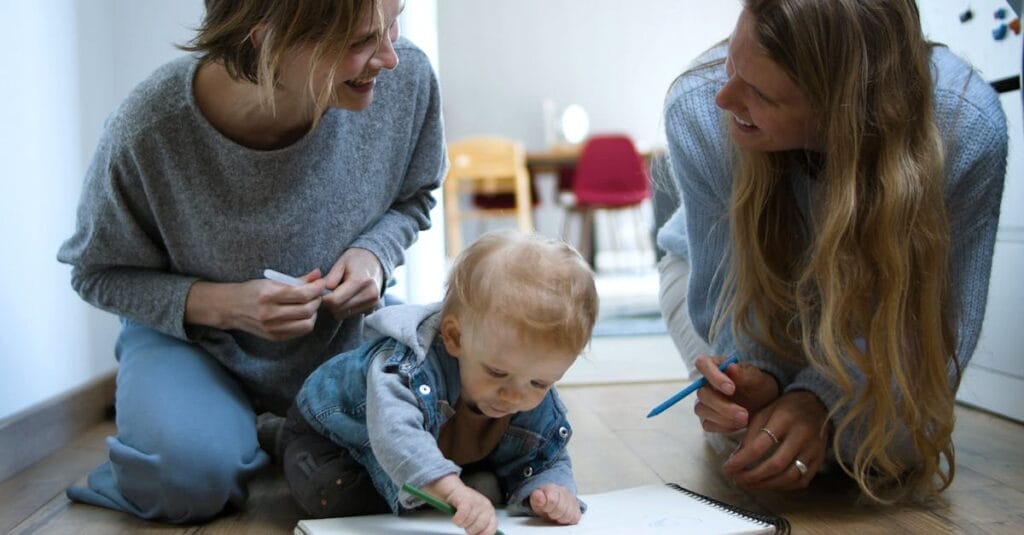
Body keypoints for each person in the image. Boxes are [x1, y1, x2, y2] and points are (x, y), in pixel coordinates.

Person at [56, 0, 445, 523]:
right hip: (195, 345)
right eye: (360, 42)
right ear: (267, 40)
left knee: (456, 435)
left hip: (338, 337)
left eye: (393, 21)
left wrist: (374, 255)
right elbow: (96, 271)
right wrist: (222, 305)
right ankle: (210, 443)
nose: (391, 57)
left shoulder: (407, 80)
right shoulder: (150, 129)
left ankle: (268, 433)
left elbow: (415, 196)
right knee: (183, 480)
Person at [656, 0, 1008, 504]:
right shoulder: (698, 107)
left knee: (892, 450)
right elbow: (722, 300)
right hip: (704, 275)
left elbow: (928, 328)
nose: (724, 96)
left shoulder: (963, 129)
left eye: (759, 93)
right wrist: (759, 377)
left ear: (843, 110)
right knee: (749, 433)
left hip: (875, 313)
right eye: (732, 61)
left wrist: (821, 401)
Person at [276, 231, 597, 534]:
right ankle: (274, 435)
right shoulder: (407, 368)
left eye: (540, 383)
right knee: (337, 496)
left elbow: (545, 454)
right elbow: (396, 435)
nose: (514, 395)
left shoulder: (523, 381)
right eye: (497, 373)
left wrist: (554, 490)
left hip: (437, 456)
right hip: (331, 440)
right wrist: (452, 489)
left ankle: (447, 485)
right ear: (454, 337)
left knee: (488, 487)